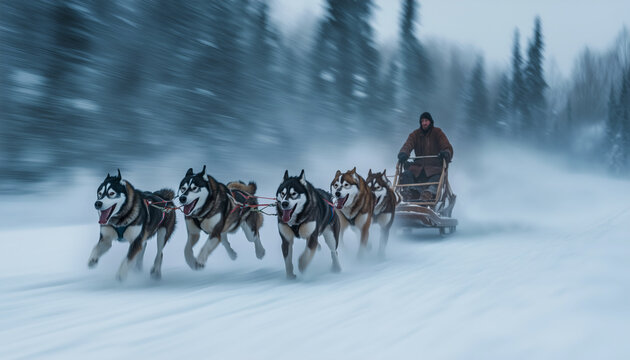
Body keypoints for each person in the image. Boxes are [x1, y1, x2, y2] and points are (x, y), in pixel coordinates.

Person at [397, 112, 453, 201]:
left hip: (434, 168)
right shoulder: (415, 134)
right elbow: (408, 145)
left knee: (438, 178)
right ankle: (409, 193)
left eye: (426, 120)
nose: (424, 123)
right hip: (418, 168)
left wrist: (446, 152)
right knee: (406, 174)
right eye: (422, 121)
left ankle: (428, 194)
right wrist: (404, 153)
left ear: (430, 122)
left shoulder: (437, 132)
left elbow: (446, 146)